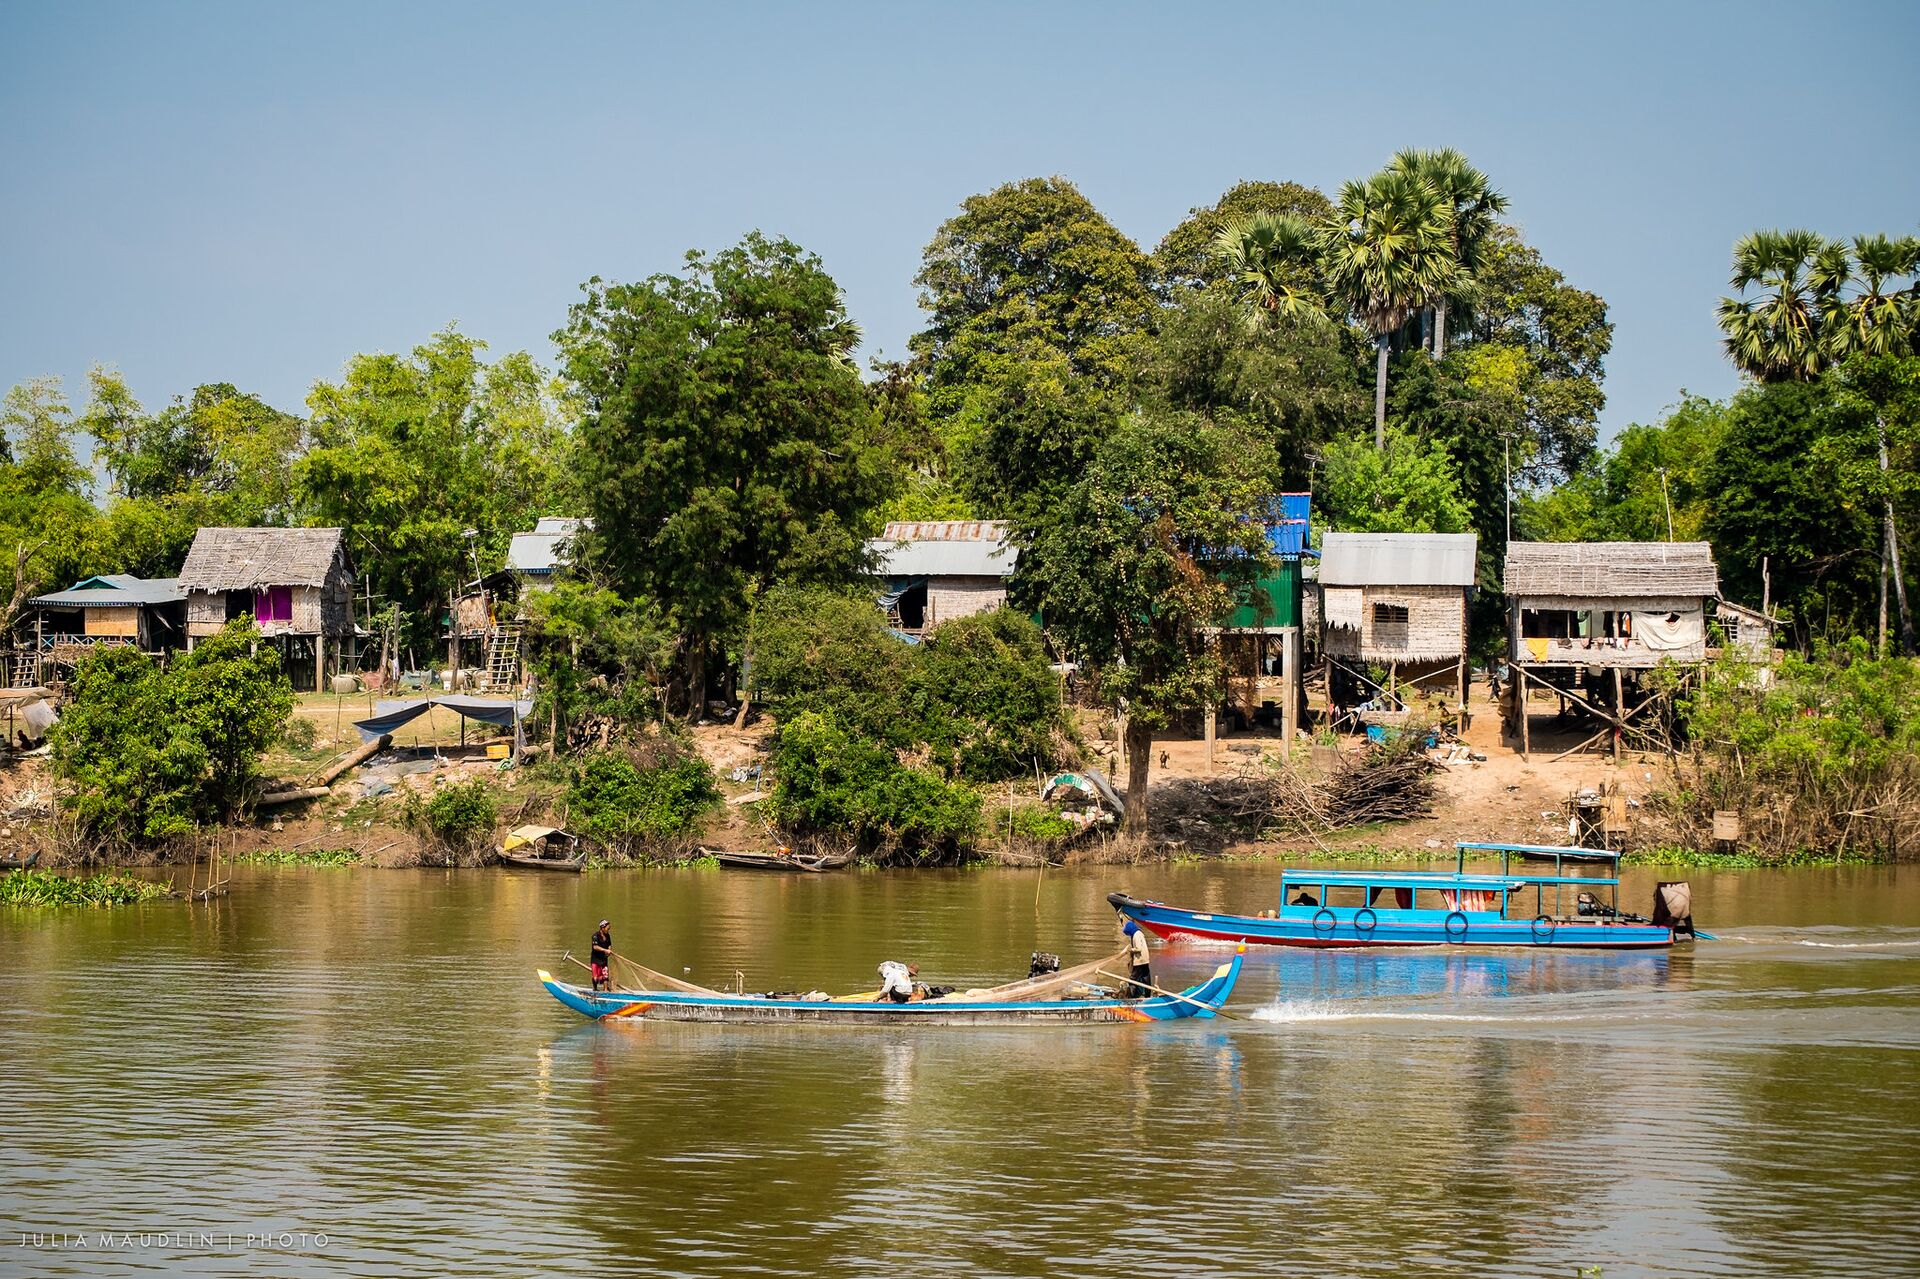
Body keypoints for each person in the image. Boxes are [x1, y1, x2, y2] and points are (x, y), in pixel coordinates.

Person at [1123, 920, 1152, 999]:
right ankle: (1147, 996)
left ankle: (1131, 997)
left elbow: (1138, 949)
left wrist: (1131, 950)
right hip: (1145, 959)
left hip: (1140, 961)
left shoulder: (1136, 935)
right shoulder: (1139, 933)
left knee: (1133, 979)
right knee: (1146, 978)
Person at [590, 919, 613, 991]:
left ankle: (605, 990)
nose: (608, 930)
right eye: (607, 929)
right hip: (595, 959)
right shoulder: (595, 936)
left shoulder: (607, 935)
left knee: (605, 975)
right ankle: (595, 989)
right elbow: (595, 947)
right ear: (602, 928)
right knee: (596, 978)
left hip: (604, 959)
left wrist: (609, 950)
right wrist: (605, 950)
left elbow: (609, 944)